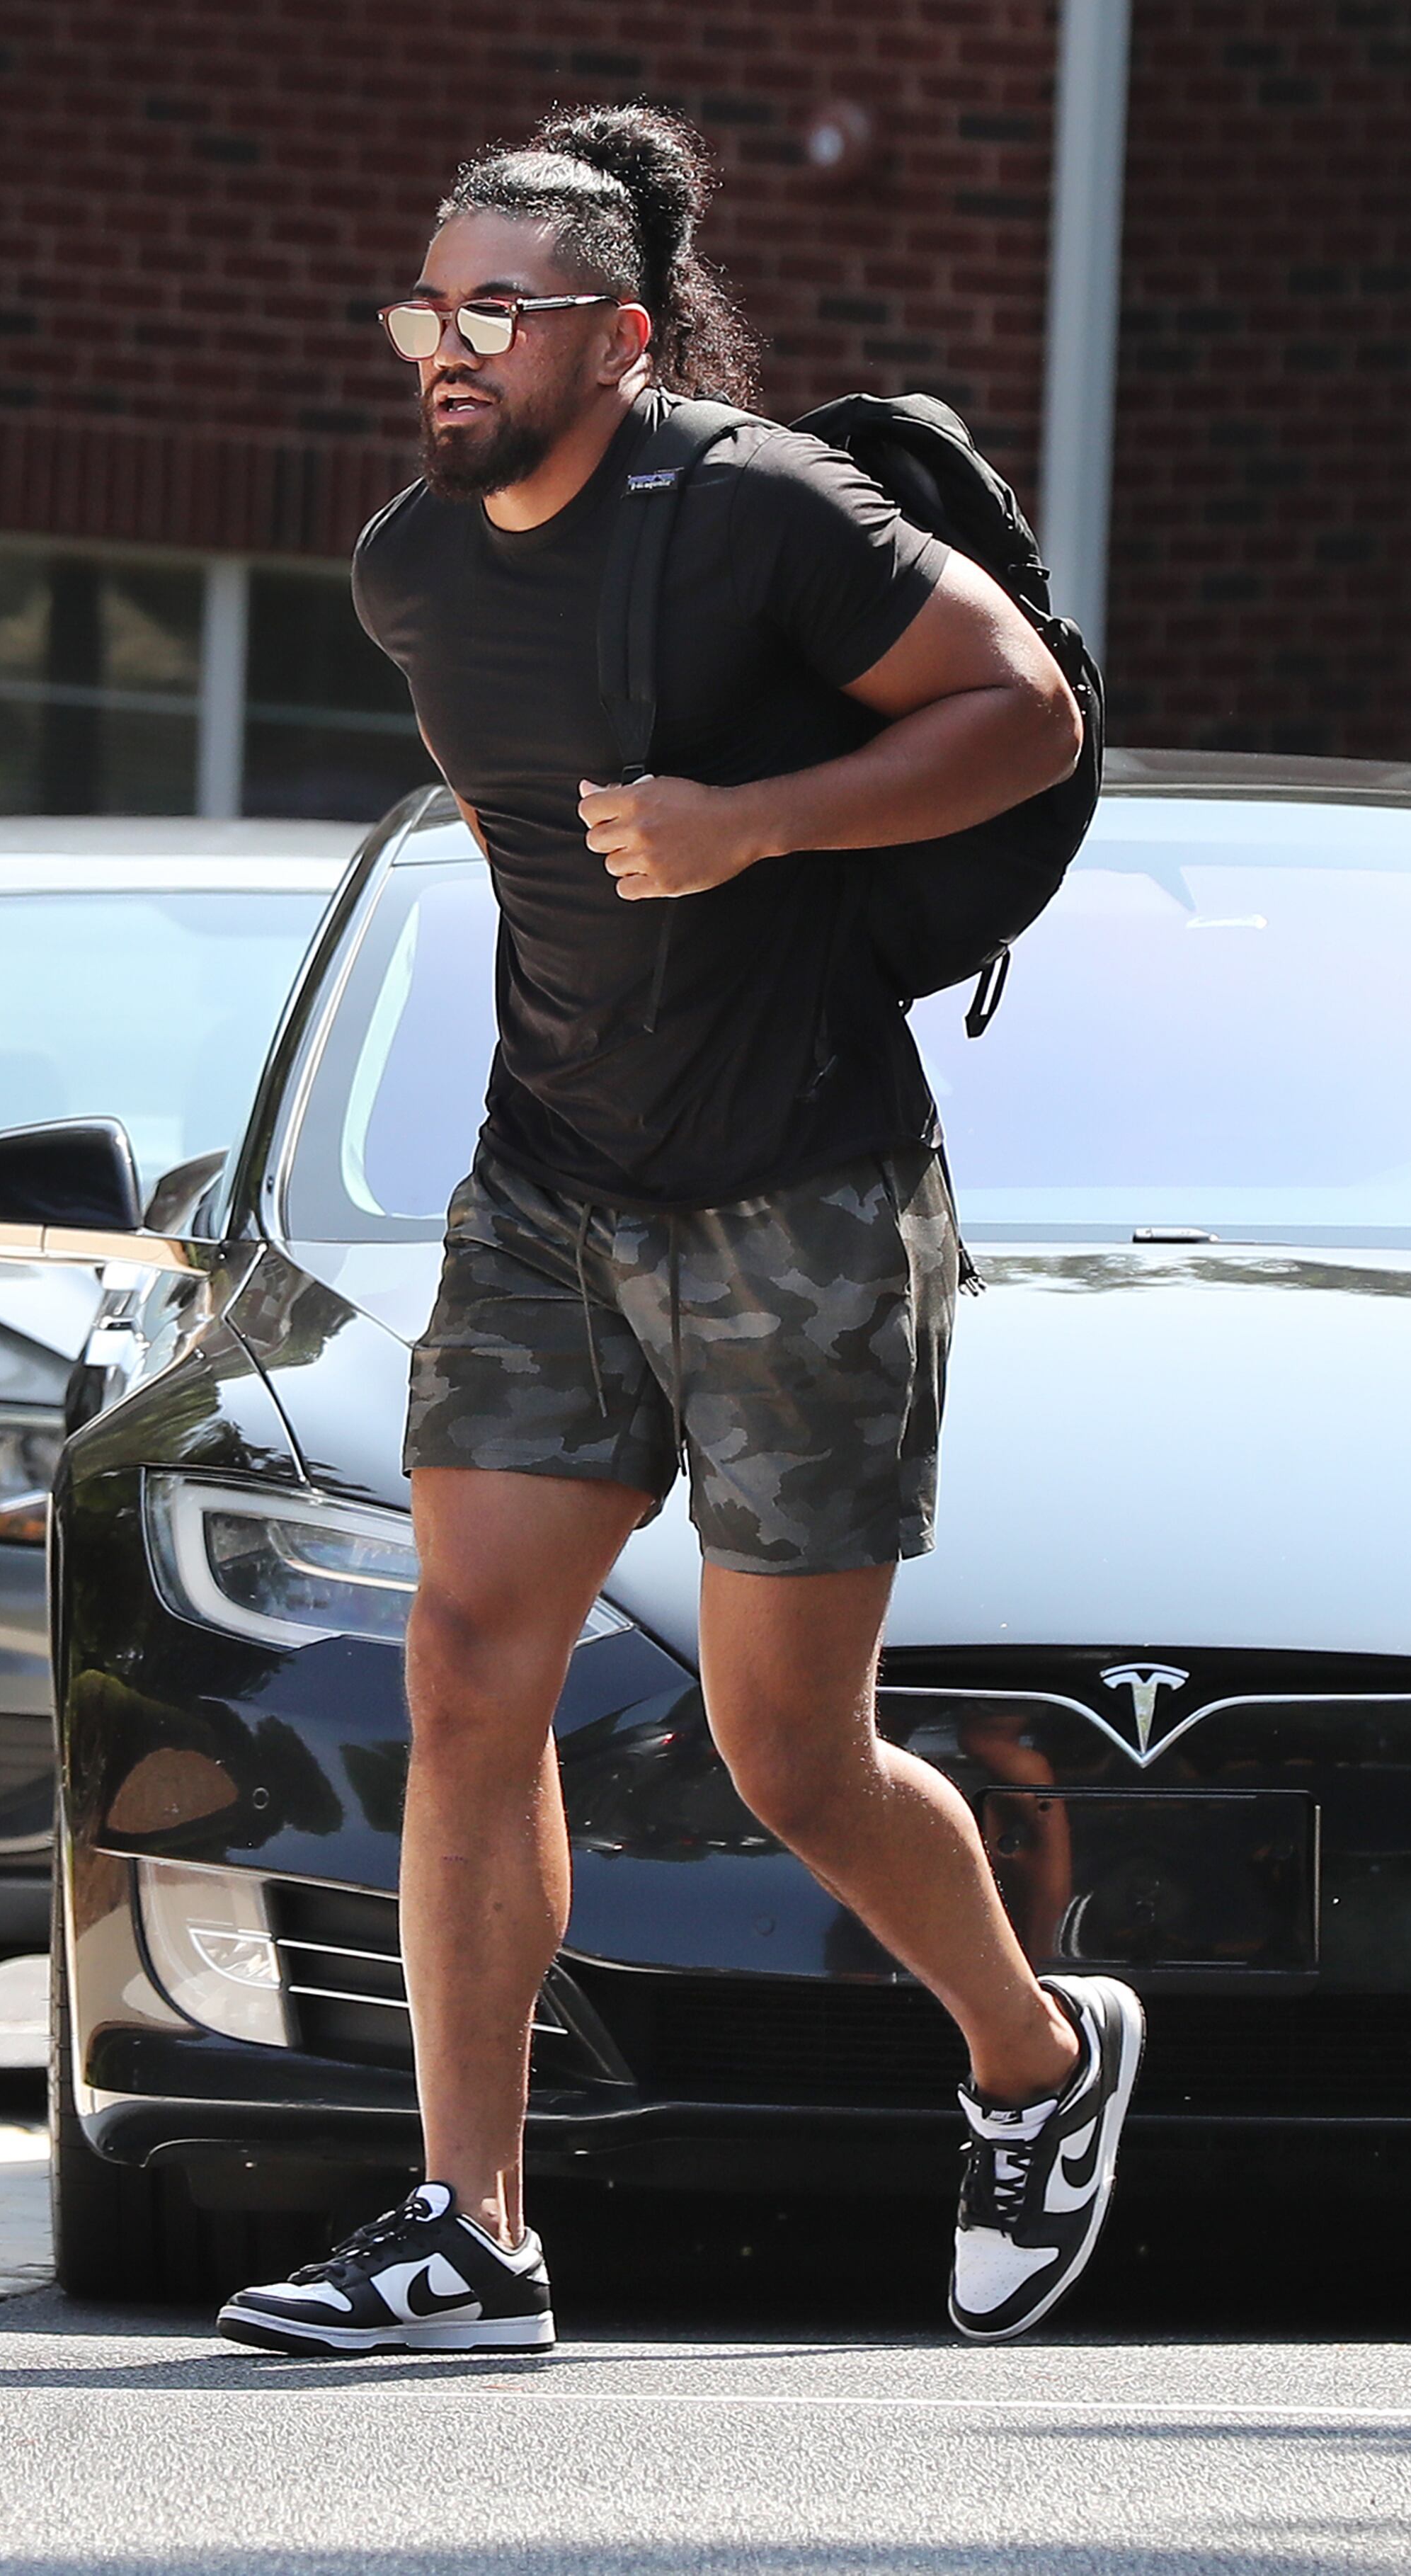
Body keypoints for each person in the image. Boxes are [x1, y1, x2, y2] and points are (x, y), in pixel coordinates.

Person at [215, 104, 1141, 2358]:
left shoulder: (758, 509)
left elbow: (1020, 715)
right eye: (423, 307)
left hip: (804, 1193)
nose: (444, 347)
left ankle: (1037, 2058)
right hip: (550, 1183)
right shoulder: (410, 572)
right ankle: (471, 2227)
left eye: (495, 311)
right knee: (465, 1674)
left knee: (786, 1750)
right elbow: (531, 852)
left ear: (618, 336)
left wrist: (753, 825)